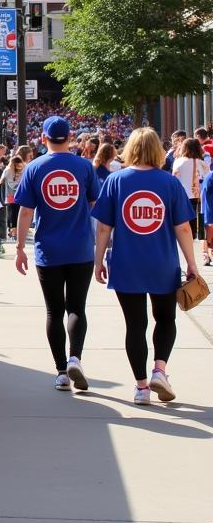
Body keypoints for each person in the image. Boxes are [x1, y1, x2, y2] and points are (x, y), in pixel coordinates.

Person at [92, 127, 197, 405]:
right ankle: (159, 369)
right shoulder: (169, 183)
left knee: (134, 325)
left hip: (126, 263)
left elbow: (104, 227)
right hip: (163, 262)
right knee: (165, 319)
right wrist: (192, 264)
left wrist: (98, 260)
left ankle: (141, 387)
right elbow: (183, 228)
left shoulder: (115, 181)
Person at [14, 116, 100, 391]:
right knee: (77, 307)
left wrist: (18, 247)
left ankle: (62, 370)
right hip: (80, 248)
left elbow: (26, 211)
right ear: (70, 137)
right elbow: (93, 202)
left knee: (54, 310)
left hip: (48, 249)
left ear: (44, 138)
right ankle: (75, 356)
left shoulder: (34, 168)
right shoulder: (84, 166)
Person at [172, 137, 210, 244]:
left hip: (181, 193)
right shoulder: (201, 163)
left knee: (184, 216)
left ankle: (187, 236)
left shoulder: (178, 161)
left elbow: (174, 178)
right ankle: (198, 235)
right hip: (197, 193)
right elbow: (207, 177)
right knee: (198, 215)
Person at [1, 155, 26, 234]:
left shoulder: (10, 170)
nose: (19, 168)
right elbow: (9, 183)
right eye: (17, 166)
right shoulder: (9, 170)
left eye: (20, 166)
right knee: (12, 211)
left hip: (15, 195)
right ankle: (12, 229)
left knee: (14, 211)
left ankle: (13, 229)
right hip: (13, 194)